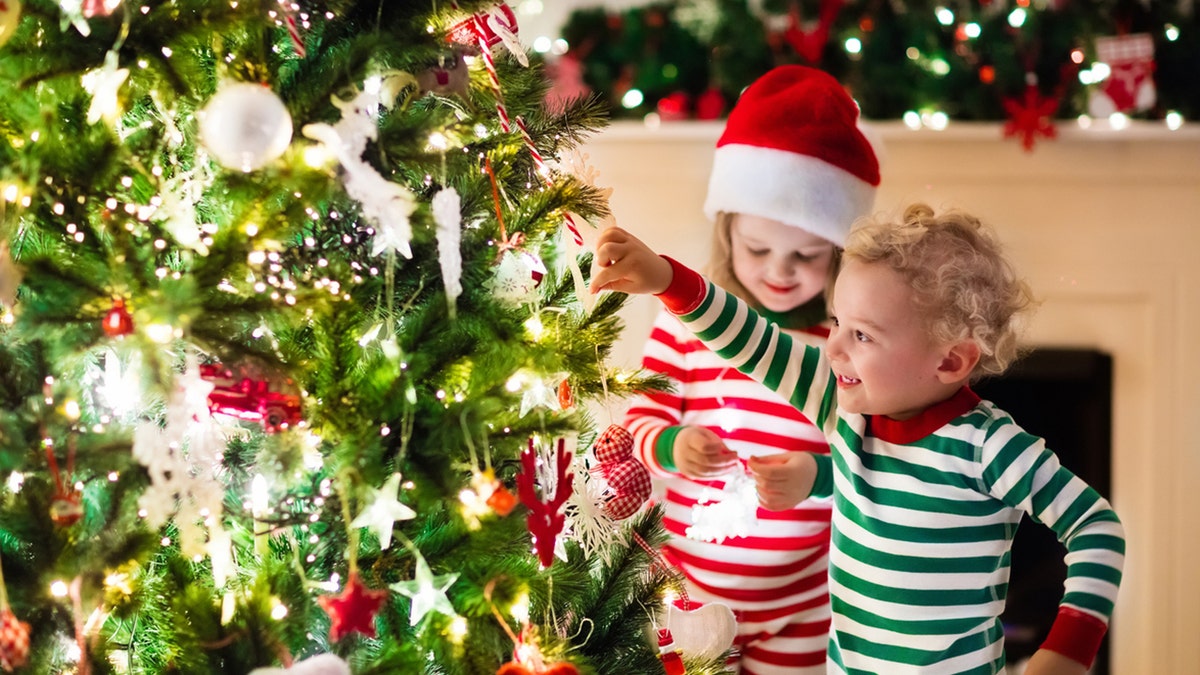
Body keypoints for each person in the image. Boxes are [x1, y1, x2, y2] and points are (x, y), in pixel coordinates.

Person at [593, 203, 1125, 675]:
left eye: (863, 334)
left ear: (949, 360)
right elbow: (753, 339)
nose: (834, 347)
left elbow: (1096, 527)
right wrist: (666, 278)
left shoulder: (989, 448)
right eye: (836, 322)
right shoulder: (844, 411)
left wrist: (1069, 651)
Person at [621, 64, 880, 674]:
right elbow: (639, 419)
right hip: (690, 599)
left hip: (807, 604)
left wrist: (816, 475)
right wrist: (672, 443)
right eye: (759, 249)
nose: (781, 271)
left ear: (839, 256)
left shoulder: (844, 345)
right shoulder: (687, 325)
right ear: (728, 229)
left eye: (807, 256)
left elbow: (875, 459)